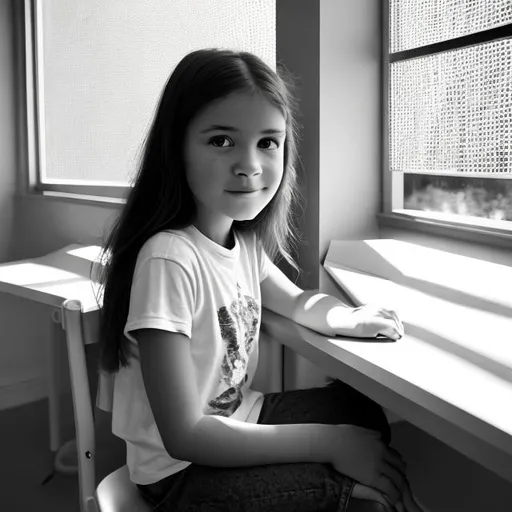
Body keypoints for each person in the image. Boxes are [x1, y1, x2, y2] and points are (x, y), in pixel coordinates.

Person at [97, 48, 426, 512]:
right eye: (222, 141)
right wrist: (329, 444)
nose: (250, 164)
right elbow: (183, 435)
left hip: (237, 417)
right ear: (176, 149)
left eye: (268, 142)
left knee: (362, 415)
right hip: (178, 475)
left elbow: (295, 302)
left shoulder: (243, 245)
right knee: (354, 488)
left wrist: (347, 316)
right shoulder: (169, 258)